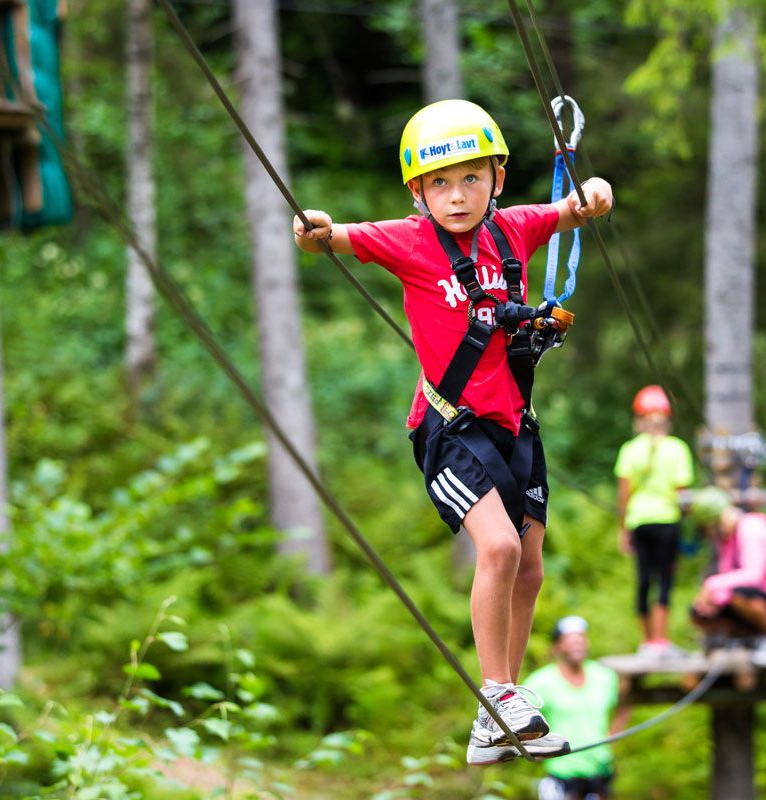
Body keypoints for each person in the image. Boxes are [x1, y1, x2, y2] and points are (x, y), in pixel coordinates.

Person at [292, 99, 614, 764]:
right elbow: (335, 238)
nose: (456, 195)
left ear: (496, 179)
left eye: (471, 178)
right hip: (449, 428)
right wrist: (315, 230)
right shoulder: (408, 241)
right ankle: (497, 693)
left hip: (514, 428)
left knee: (529, 571)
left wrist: (597, 195)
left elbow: (574, 209)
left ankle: (496, 714)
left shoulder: (515, 230)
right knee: (497, 550)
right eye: (439, 183)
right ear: (418, 192)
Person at [687, 486, 766, 667]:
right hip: (758, 598)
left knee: (740, 594)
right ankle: (745, 639)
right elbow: (727, 580)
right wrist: (711, 602)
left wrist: (712, 585)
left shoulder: (750, 529)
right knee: (699, 612)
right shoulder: (729, 540)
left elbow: (753, 575)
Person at [613, 385, 694, 655]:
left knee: (644, 579)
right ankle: (661, 640)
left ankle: (647, 641)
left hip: (639, 521)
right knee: (665, 580)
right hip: (667, 520)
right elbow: (682, 493)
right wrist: (689, 517)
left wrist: (623, 529)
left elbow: (624, 494)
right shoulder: (677, 448)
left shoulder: (629, 449)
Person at [526, 616, 631, 800]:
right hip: (563, 775)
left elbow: (625, 703)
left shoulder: (604, 676)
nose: (578, 644)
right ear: (557, 646)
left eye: (581, 638)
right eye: (570, 640)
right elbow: (517, 717)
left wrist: (612, 736)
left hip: (600, 772)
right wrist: (535, 747)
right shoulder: (542, 681)